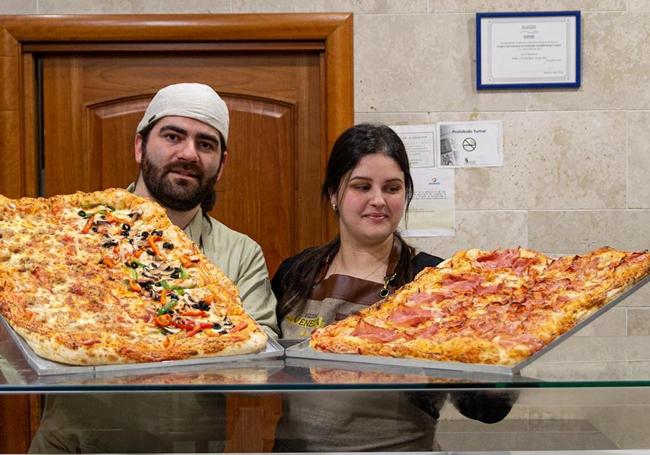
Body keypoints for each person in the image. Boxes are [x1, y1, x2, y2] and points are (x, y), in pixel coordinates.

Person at [29, 83, 278, 453]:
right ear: (139, 145)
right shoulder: (72, 231)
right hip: (73, 445)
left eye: (205, 144)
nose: (188, 153)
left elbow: (259, 360)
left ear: (221, 165)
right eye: (173, 136)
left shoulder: (241, 253)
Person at [271, 123, 515, 451]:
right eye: (361, 186)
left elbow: (485, 409)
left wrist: (503, 354)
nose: (378, 201)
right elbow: (262, 369)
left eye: (392, 188)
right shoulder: (294, 273)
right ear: (333, 193)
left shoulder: (432, 278)